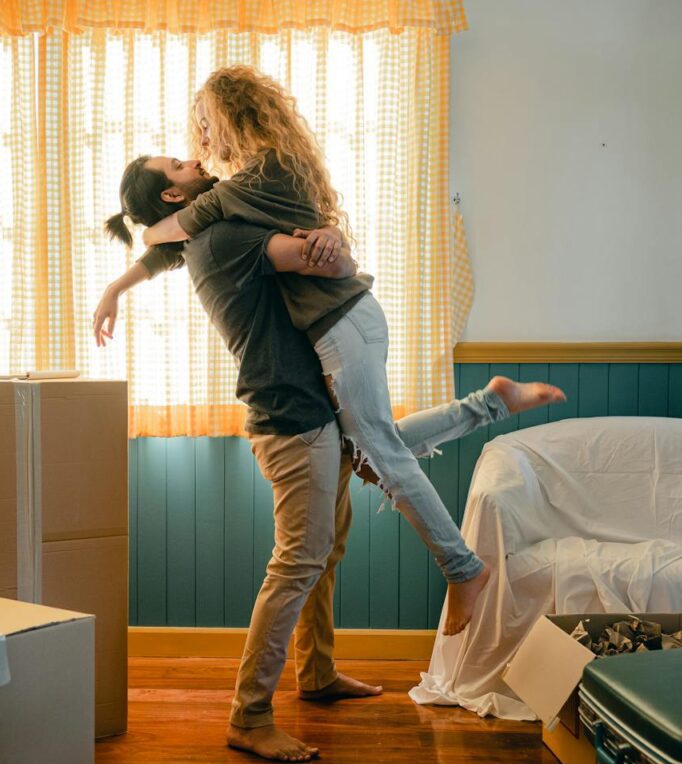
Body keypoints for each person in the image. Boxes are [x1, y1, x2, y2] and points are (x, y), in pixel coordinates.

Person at [95, 156, 563, 762]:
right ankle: (249, 715)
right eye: (181, 165)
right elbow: (318, 259)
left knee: (336, 533)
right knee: (298, 562)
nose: (197, 159)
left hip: (316, 405)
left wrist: (114, 287)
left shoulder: (203, 232)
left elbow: (162, 249)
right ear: (171, 192)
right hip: (292, 418)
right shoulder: (226, 234)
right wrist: (325, 240)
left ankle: (315, 674)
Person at [133, 65, 565, 637]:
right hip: (345, 324)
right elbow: (186, 233)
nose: (200, 145)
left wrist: (146, 234)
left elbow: (192, 222)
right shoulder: (267, 175)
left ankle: (462, 568)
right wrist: (123, 280)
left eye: (205, 129)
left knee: (379, 450)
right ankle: (491, 403)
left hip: (342, 325)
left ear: (231, 119)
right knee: (370, 450)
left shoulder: (254, 180)